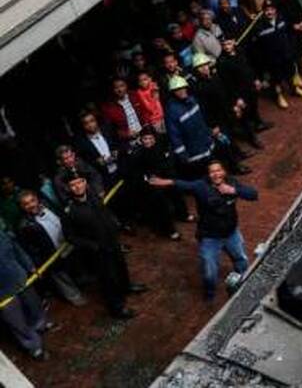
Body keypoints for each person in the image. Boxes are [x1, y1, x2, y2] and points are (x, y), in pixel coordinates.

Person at [149, 161, 257, 302]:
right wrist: (165, 181)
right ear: (208, 174)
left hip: (231, 234)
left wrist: (233, 191)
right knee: (210, 272)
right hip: (210, 237)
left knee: (241, 260)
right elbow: (181, 184)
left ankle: (245, 282)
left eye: (218, 170)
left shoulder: (232, 183)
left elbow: (253, 194)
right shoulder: (201, 186)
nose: (216, 174)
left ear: (224, 172)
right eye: (212, 172)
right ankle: (209, 294)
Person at [63, 174, 143, 319]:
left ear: (85, 182)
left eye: (80, 182)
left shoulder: (92, 196)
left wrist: (114, 225)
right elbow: (70, 237)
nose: (78, 186)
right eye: (73, 185)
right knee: (108, 280)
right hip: (97, 250)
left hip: (111, 240)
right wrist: (93, 246)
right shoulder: (69, 211)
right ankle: (117, 309)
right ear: (69, 188)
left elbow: (105, 212)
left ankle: (127, 287)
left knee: (120, 266)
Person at [165, 75, 250, 178]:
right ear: (172, 93)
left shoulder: (193, 100)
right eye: (177, 90)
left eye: (183, 88)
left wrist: (210, 131)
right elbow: (175, 136)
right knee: (206, 173)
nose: (181, 91)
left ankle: (231, 172)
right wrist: (183, 155)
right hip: (194, 149)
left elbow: (201, 121)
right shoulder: (172, 111)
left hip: (205, 141)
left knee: (220, 153)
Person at [15, 190, 86, 306]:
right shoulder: (23, 225)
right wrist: (39, 263)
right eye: (26, 204)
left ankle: (83, 284)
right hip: (51, 256)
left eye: (33, 200)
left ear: (37, 199)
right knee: (61, 277)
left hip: (68, 245)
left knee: (75, 268)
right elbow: (29, 248)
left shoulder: (47, 205)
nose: (31, 205)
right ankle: (75, 297)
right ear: (22, 207)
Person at [130, 127, 190, 239]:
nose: (147, 141)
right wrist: (149, 180)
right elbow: (136, 174)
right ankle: (169, 231)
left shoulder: (159, 149)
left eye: (150, 138)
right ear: (141, 139)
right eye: (145, 139)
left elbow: (165, 166)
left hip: (161, 179)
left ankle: (183, 214)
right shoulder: (137, 154)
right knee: (159, 198)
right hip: (146, 185)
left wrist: (165, 179)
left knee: (174, 186)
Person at [0, 230, 51, 359]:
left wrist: (30, 266)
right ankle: (34, 347)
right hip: (2, 294)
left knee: (34, 305)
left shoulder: (2, 233)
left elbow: (17, 250)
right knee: (17, 321)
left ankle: (41, 325)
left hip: (19, 278)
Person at [252, 3, 302, 109]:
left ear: (275, 10)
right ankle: (279, 97)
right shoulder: (259, 27)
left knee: (290, 73)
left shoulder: (282, 19)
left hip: (286, 55)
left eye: (272, 9)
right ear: (263, 12)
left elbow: (289, 33)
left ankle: (294, 90)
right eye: (267, 10)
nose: (269, 12)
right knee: (275, 80)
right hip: (272, 60)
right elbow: (257, 48)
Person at [216, 39, 271, 136]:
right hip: (238, 91)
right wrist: (237, 98)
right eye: (224, 45)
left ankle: (258, 124)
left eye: (228, 44)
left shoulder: (240, 52)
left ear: (233, 42)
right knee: (244, 114)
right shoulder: (222, 61)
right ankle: (251, 136)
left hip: (249, 86)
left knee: (254, 106)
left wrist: (255, 79)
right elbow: (227, 84)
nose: (226, 47)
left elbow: (248, 67)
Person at [73, 111, 123, 185]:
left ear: (96, 121)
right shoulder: (82, 144)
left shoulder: (108, 131)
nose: (90, 125)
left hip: (121, 170)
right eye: (86, 123)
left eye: (92, 121)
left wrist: (117, 152)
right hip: (105, 179)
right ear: (83, 126)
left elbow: (120, 144)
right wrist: (96, 162)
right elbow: (85, 163)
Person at [99, 77, 144, 144]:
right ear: (113, 89)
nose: (120, 89)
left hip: (144, 134)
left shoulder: (135, 95)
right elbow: (110, 130)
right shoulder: (109, 107)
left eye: (122, 86)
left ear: (126, 86)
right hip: (128, 141)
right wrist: (125, 134)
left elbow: (145, 112)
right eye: (116, 87)